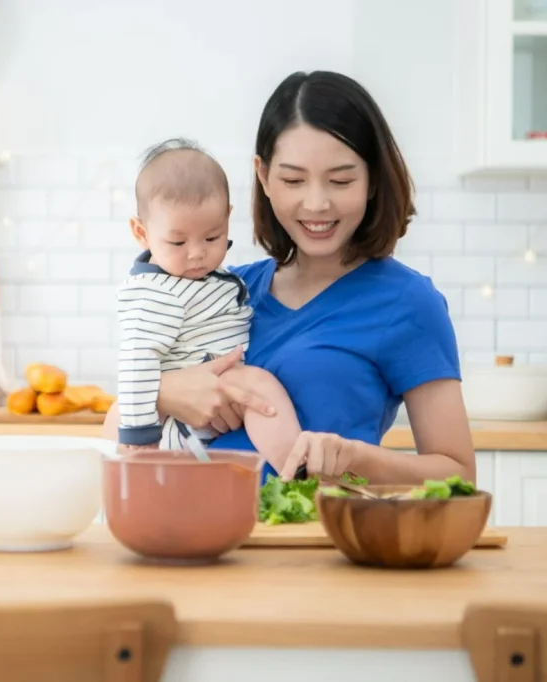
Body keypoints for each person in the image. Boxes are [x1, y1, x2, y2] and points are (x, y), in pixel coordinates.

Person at [102, 70, 476, 486]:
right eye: (293, 180)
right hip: (191, 537)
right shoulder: (223, 292)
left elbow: (457, 475)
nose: (316, 202)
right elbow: (118, 431)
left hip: (317, 542)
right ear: (263, 176)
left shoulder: (407, 302)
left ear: (372, 179)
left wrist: (354, 458)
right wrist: (164, 393)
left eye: (341, 180)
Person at [114, 138, 303, 474]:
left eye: (212, 237)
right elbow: (135, 362)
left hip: (209, 415)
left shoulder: (209, 278)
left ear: (228, 219)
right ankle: (299, 472)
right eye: (177, 241)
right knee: (259, 386)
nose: (197, 253)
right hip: (178, 425)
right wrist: (138, 434)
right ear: (141, 232)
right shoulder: (156, 293)